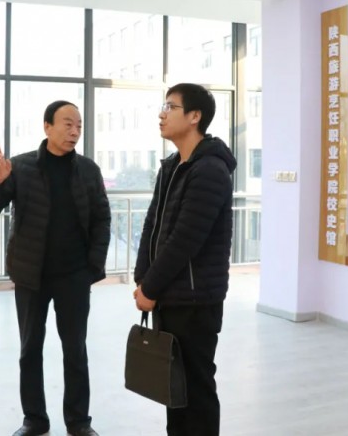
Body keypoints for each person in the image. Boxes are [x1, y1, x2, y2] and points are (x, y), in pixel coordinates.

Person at [0, 101, 110, 436]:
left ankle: (78, 421)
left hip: (74, 276)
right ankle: (34, 419)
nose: (74, 131)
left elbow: (101, 219)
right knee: (30, 349)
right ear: (47, 126)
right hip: (31, 275)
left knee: (75, 350)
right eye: (67, 124)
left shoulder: (88, 170)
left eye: (79, 125)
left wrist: (93, 266)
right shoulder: (20, 167)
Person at [133, 83, 237, 436]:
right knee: (174, 388)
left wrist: (151, 287)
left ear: (195, 116)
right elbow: (153, 225)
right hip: (169, 294)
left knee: (196, 389)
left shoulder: (210, 170)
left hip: (195, 299)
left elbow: (185, 240)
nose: (162, 114)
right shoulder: (172, 166)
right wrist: (143, 279)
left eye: (170, 107)